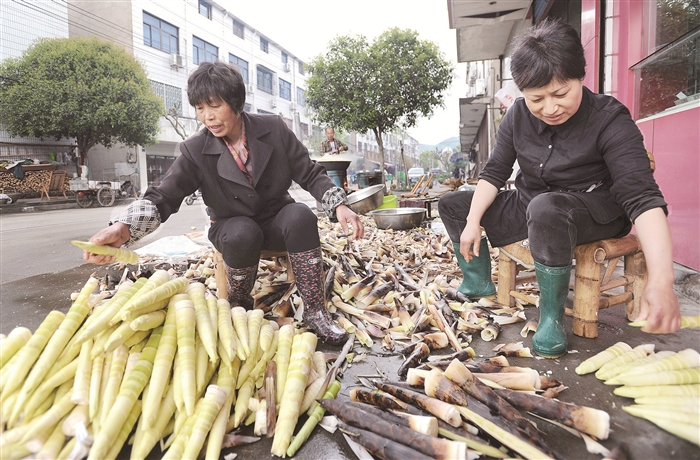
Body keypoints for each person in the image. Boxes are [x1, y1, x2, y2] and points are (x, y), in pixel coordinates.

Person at [438, 19, 681, 358]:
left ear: (581, 77)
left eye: (561, 94)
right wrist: (472, 221)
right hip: (533, 204)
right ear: (522, 91)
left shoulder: (610, 118)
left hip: (592, 210)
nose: (550, 108)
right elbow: (494, 173)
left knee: (547, 208)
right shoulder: (518, 116)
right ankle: (478, 280)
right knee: (453, 204)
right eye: (537, 98)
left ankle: (551, 318)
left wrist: (662, 277)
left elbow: (642, 197)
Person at [82, 61, 364, 344]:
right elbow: (164, 194)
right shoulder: (195, 150)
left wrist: (340, 206)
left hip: (276, 220)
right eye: (200, 108)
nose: (208, 117)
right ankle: (239, 306)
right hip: (231, 228)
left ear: (236, 102)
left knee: (300, 214)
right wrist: (123, 228)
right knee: (243, 232)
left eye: (215, 105)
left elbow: (309, 171)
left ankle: (316, 312)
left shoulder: (274, 129)